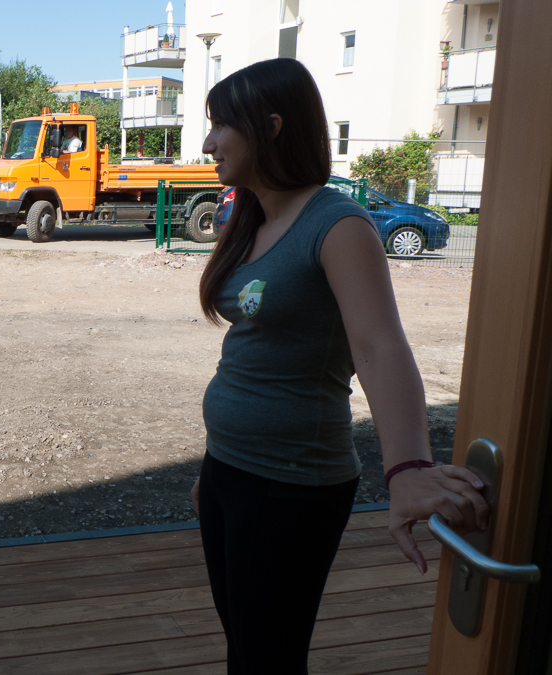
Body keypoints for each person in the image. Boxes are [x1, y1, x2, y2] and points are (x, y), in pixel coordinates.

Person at [189, 58, 489, 674]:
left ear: (271, 126)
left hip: (290, 485)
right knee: (245, 649)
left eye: (222, 125)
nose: (208, 141)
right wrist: (214, 471)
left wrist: (406, 469)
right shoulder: (252, 218)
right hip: (231, 474)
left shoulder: (338, 225)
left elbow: (380, 348)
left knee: (267, 659)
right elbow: (252, 351)